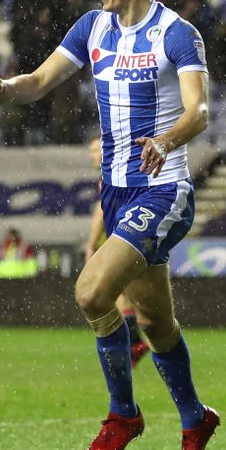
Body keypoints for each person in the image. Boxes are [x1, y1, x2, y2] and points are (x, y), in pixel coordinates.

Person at [0, 0, 218, 450]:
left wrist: (165, 141)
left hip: (163, 189)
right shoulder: (92, 28)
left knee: (91, 293)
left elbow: (199, 112)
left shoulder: (177, 34)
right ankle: (195, 420)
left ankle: (123, 415)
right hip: (115, 192)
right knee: (155, 322)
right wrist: (7, 86)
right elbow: (40, 81)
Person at [83, 137, 149, 367]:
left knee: (111, 294)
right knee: (125, 294)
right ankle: (136, 341)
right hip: (133, 237)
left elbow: (102, 211)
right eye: (91, 151)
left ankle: (133, 342)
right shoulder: (120, 172)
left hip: (116, 241)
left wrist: (91, 245)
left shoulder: (109, 175)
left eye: (95, 150)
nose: (92, 155)